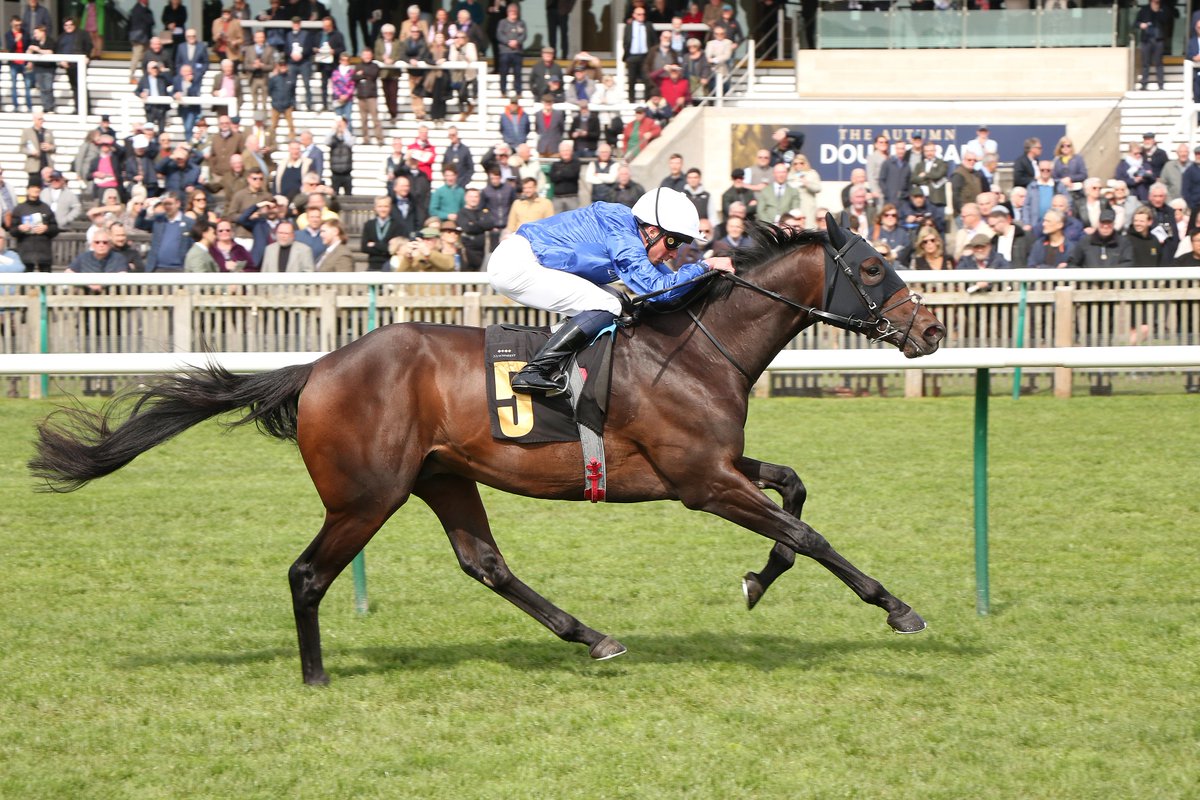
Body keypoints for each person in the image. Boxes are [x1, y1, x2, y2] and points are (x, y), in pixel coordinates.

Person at [488, 187, 733, 394]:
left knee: (619, 300)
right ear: (651, 230)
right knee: (608, 305)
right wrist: (705, 265)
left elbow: (672, 284)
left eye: (680, 245)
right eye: (673, 242)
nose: (673, 253)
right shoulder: (623, 235)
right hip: (517, 264)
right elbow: (659, 291)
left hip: (529, 260)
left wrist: (708, 278)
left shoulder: (631, 232)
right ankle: (535, 370)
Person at [7, 178, 57, 271]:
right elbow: (12, 231)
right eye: (33, 187)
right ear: (28, 189)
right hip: (25, 253)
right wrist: (20, 229)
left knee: (45, 283)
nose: (36, 190)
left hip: (44, 254)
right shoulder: (20, 208)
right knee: (24, 283)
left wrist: (46, 229)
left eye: (38, 187)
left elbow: (55, 228)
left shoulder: (46, 208)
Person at [135, 192, 191, 271]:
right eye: (165, 204)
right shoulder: (158, 220)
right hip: (158, 268)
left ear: (178, 203)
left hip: (179, 269)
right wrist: (144, 208)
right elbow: (139, 224)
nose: (167, 207)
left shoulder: (189, 223)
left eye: (170, 204)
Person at [1067, 209, 1133, 267]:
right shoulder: (1085, 241)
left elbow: (1128, 263)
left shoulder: (1123, 242)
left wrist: (1110, 273)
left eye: (1109, 223)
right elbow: (1072, 263)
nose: (1105, 226)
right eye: (1103, 223)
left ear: (1113, 224)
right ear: (1098, 223)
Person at [1136, 0, 1169, 90]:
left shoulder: (1163, 9)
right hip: (1146, 39)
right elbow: (1136, 22)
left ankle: (1161, 84)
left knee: (1158, 63)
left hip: (1158, 39)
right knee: (1145, 63)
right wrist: (1140, 25)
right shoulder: (1144, 9)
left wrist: (1157, 11)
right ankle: (1144, 84)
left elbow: (1166, 21)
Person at [495, 3, 526, 96]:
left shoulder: (521, 23)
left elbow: (524, 35)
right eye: (512, 11)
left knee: (517, 73)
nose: (514, 13)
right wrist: (508, 42)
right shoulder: (502, 23)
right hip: (505, 52)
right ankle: (503, 91)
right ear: (508, 12)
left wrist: (517, 42)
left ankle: (518, 92)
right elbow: (499, 35)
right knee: (503, 72)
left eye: (515, 11)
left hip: (517, 52)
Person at [623, 6, 650, 101]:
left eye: (643, 14)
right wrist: (627, 55)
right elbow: (626, 41)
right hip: (632, 56)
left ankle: (647, 101)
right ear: (634, 15)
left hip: (645, 57)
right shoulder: (629, 26)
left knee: (647, 79)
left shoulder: (648, 25)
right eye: (639, 14)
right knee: (631, 80)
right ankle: (631, 101)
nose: (641, 16)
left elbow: (653, 41)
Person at [6, 17, 32, 113]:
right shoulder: (8, 34)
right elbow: (9, 48)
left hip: (24, 62)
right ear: (11, 24)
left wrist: (30, 61)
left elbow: (29, 46)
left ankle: (29, 106)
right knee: (14, 85)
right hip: (14, 63)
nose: (18, 27)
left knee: (27, 85)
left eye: (20, 25)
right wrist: (16, 40)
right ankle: (16, 106)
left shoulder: (25, 33)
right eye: (16, 25)